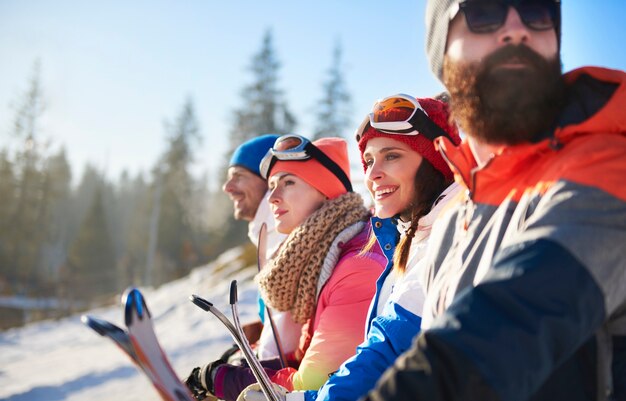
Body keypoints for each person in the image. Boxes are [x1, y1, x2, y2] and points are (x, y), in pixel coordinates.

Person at [364, 1, 626, 400]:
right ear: (440, 49)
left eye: (537, 12)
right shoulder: (458, 219)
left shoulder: (607, 167)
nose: (517, 29)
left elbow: (512, 321)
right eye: (484, 12)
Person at [193, 135, 386, 401]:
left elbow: (313, 381)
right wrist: (246, 364)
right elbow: (307, 352)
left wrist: (222, 378)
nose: (272, 197)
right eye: (272, 185)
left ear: (326, 191)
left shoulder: (357, 267)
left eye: (288, 182)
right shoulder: (315, 258)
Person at [219, 134, 301, 362]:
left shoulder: (292, 244)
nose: (227, 187)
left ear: (269, 180)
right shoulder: (270, 239)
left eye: (238, 176)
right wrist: (263, 326)